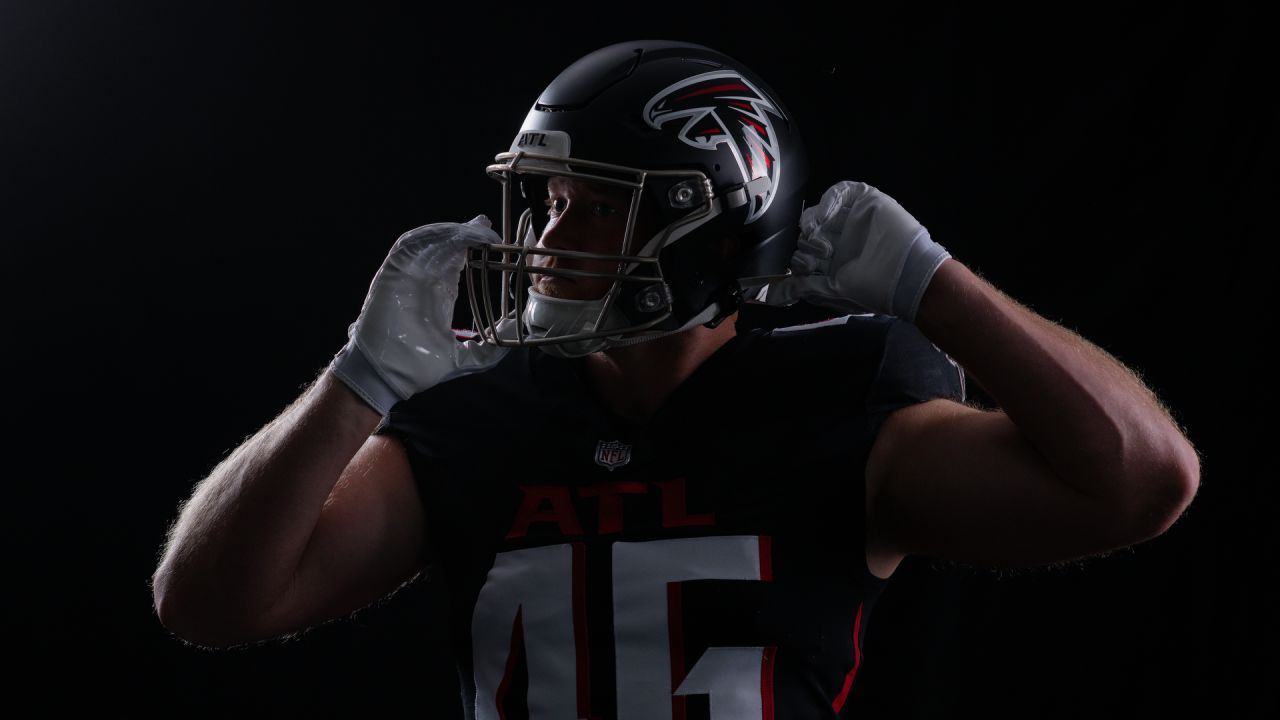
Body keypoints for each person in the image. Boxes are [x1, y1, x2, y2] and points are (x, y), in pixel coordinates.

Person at [152, 40, 1200, 719]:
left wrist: (936, 287)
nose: (551, 237)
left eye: (595, 204)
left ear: (713, 217)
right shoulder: (474, 412)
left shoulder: (841, 401)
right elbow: (208, 603)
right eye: (548, 200)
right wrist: (360, 376)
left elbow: (1139, 481)